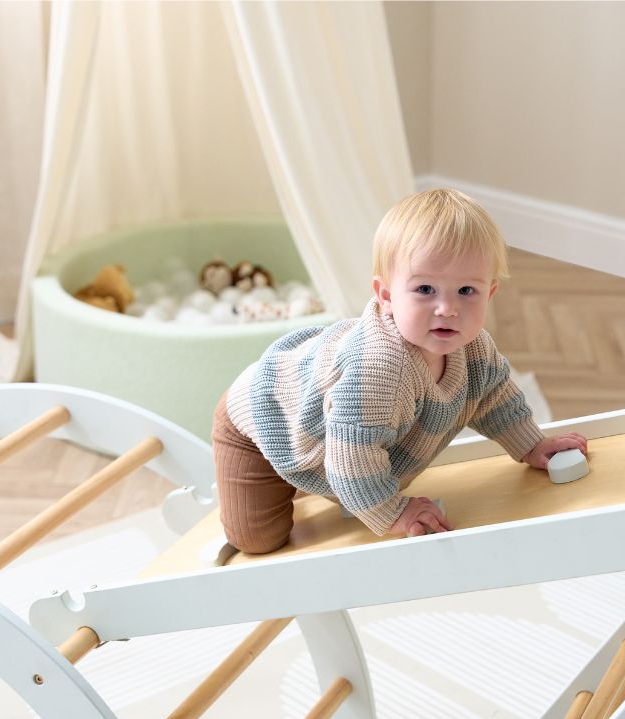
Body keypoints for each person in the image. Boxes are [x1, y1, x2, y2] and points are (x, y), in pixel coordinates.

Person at [213, 188, 587, 554]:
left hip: (327, 426)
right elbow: (352, 461)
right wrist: (393, 513)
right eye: (425, 289)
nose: (447, 309)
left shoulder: (473, 347)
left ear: (488, 293)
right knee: (258, 541)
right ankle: (280, 479)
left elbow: (495, 399)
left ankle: (316, 477)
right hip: (263, 419)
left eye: (466, 291)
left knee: (355, 458)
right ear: (386, 295)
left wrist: (532, 445)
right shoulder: (378, 371)